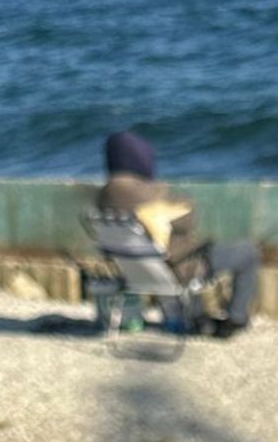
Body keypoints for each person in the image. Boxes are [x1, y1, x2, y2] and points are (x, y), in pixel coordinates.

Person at [97, 128, 259, 336]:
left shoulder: (103, 197)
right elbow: (188, 221)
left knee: (183, 256)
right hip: (179, 266)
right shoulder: (151, 191)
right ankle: (237, 318)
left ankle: (199, 319)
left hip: (138, 270)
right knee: (248, 252)